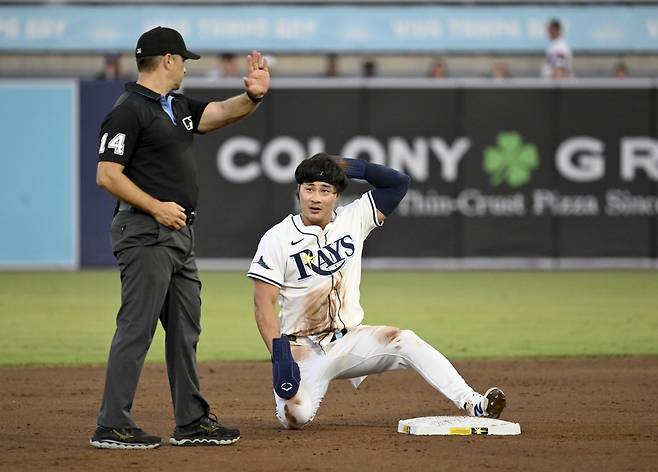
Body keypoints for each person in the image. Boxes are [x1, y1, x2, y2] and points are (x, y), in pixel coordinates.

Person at [90, 26, 270, 449]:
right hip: (145, 231)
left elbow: (221, 114)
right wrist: (155, 206)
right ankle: (112, 423)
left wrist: (254, 97)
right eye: (184, 60)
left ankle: (190, 420)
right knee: (136, 328)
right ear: (168, 59)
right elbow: (106, 175)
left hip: (178, 235)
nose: (187, 67)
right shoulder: (128, 110)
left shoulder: (174, 106)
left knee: (185, 328)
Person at [247, 153, 506, 429]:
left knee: (404, 340)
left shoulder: (354, 218)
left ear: (337, 196)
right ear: (298, 191)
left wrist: (349, 166)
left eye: (325, 190)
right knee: (296, 418)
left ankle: (473, 402)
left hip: (350, 341)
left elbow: (398, 184)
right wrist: (280, 357)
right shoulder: (277, 238)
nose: (315, 198)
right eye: (309, 188)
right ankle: (297, 397)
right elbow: (263, 304)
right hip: (302, 349)